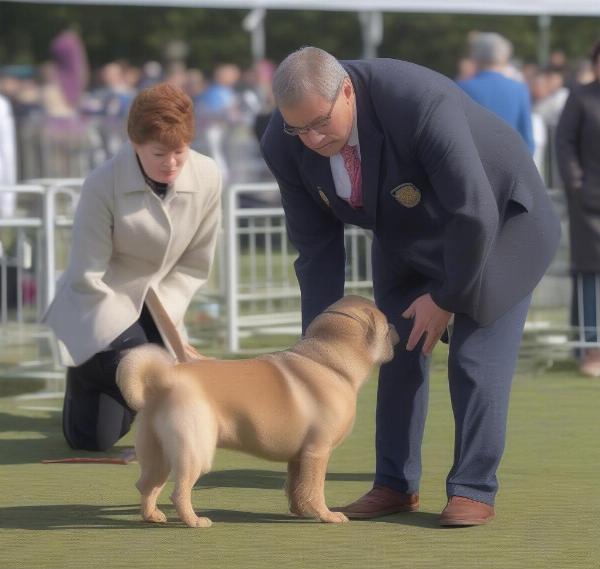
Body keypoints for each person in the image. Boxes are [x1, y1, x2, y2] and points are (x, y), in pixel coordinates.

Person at [260, 47, 560, 526]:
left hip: (501, 227)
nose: (311, 139)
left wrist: (446, 298)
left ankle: (472, 488)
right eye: (298, 128)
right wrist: (316, 346)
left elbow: (474, 210)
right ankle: (395, 485)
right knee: (394, 351)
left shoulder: (419, 102)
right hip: (406, 235)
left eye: (320, 122)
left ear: (347, 91)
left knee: (474, 358)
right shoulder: (283, 141)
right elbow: (316, 251)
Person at [43, 83, 222, 451]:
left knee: (155, 384)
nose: (171, 162)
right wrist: (134, 349)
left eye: (180, 151)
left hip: (159, 310)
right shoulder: (101, 183)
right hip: (98, 305)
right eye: (159, 152)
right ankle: (85, 373)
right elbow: (85, 275)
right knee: (92, 439)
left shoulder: (208, 177)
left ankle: (125, 376)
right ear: (134, 144)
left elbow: (194, 265)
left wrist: (166, 332)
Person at [556, 40, 600, 377]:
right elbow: (565, 143)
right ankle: (591, 350)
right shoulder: (581, 97)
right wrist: (577, 185)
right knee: (589, 273)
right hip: (589, 203)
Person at [458, 32, 535, 154]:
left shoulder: (461, 87)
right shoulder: (519, 89)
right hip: (511, 160)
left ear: (475, 57)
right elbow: (527, 138)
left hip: (473, 162)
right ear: (504, 57)